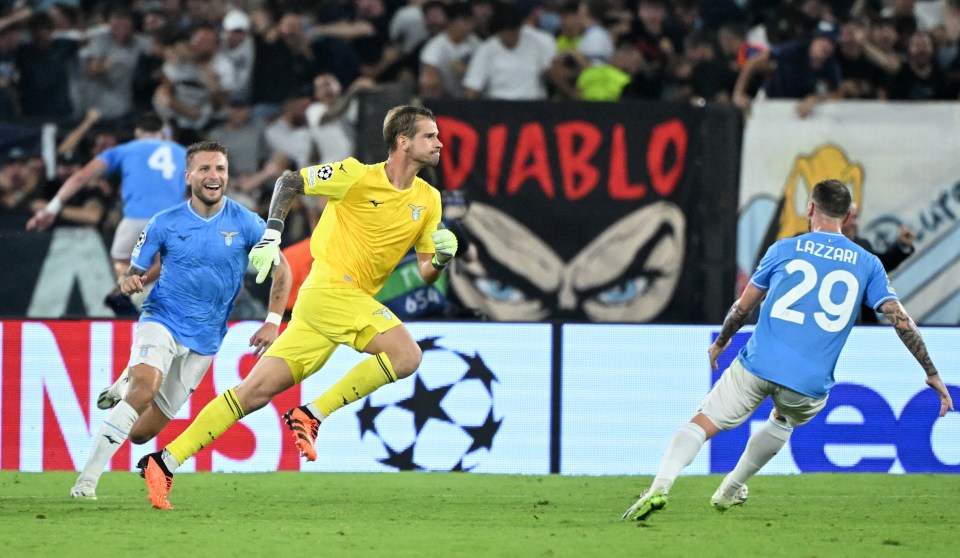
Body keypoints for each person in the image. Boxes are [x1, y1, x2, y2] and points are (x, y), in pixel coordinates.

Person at [136, 105, 459, 509]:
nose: (439, 142)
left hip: (333, 306)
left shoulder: (428, 199)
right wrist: (272, 233)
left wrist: (441, 260)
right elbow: (289, 181)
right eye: (430, 135)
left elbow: (427, 269)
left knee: (251, 393)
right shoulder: (356, 175)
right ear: (403, 142)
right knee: (406, 355)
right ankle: (312, 414)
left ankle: (163, 461)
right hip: (330, 290)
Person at [622, 179, 954, 522]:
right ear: (847, 214)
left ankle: (660, 486)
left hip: (758, 365)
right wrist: (930, 371)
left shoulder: (784, 249)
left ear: (810, 208)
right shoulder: (867, 263)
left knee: (703, 422)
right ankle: (730, 488)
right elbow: (901, 321)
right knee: (782, 419)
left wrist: (722, 341)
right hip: (808, 384)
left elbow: (742, 308)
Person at [69, 140, 292, 500]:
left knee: (141, 433)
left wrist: (272, 320)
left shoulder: (247, 223)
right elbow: (135, 272)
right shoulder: (164, 222)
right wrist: (130, 280)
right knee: (144, 391)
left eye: (219, 168)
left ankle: (123, 382)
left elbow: (283, 273)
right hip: (163, 318)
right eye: (204, 168)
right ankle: (87, 481)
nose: (213, 175)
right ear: (188, 176)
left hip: (205, 339)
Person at [26, 112, 187, 314]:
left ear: (138, 132)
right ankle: (135, 290)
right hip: (170, 221)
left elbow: (81, 177)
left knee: (120, 260)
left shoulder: (124, 150)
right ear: (162, 134)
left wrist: (52, 208)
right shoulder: (184, 153)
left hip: (134, 220)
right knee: (166, 261)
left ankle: (126, 289)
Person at [841, 201, 915, 323]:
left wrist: (901, 245)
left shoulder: (863, 246)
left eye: (856, 217)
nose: (855, 223)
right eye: (853, 217)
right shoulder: (816, 245)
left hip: (863, 323)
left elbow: (882, 265)